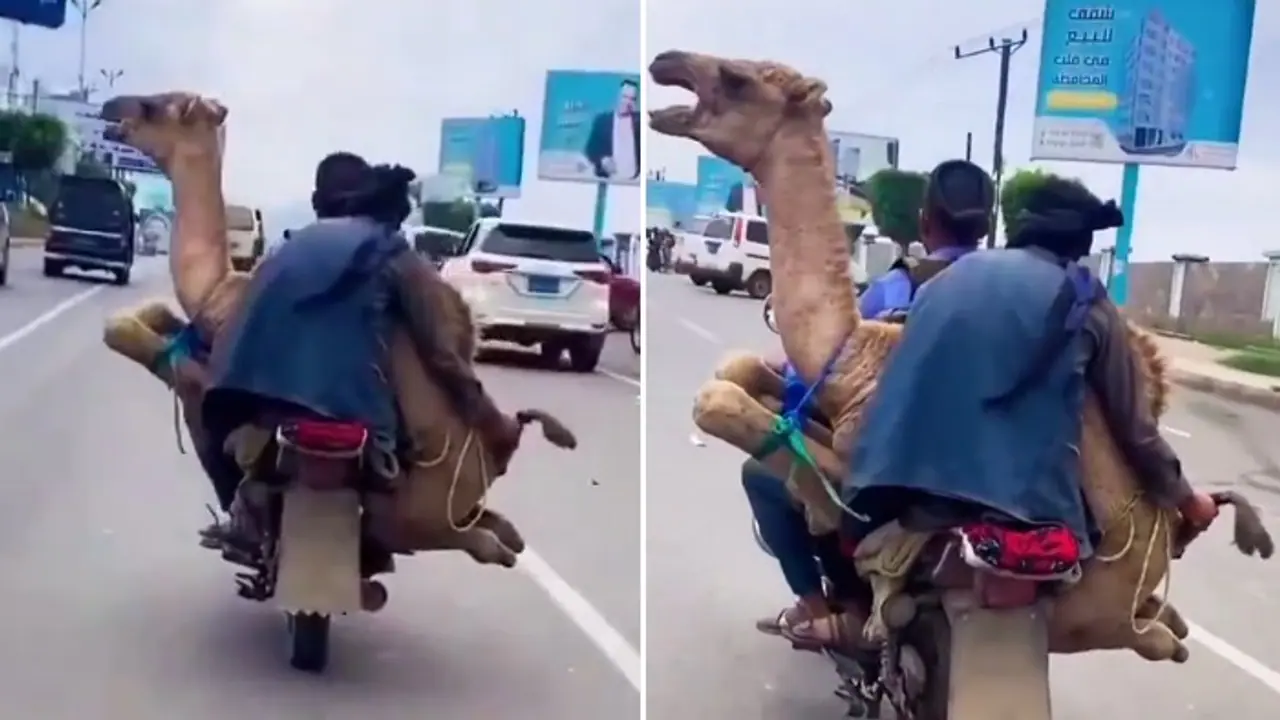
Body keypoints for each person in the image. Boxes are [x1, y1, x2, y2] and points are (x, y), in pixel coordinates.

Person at [840, 175, 1218, 589]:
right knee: (1085, 556)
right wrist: (1188, 500)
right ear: (1082, 243)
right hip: (1015, 508)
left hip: (885, 489)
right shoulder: (1085, 299)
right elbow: (1135, 429)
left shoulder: (938, 280)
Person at [199, 152, 521, 545]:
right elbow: (442, 353)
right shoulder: (394, 254)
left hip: (248, 392)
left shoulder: (288, 247)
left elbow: (239, 320)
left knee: (217, 435)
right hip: (350, 405)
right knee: (392, 469)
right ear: (395, 217)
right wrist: (489, 420)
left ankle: (240, 517)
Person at [750, 159, 996, 648]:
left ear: (925, 221)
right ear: (987, 227)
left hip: (897, 474)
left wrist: (789, 371)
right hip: (991, 474)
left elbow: (828, 367)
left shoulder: (895, 289)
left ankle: (830, 613)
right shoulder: (1010, 292)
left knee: (763, 475)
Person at [858, 159, 993, 319]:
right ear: (985, 229)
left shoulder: (891, 287)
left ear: (924, 221)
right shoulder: (1007, 288)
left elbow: (842, 330)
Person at [585, 79, 641, 181]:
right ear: (618, 96)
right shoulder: (603, 121)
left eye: (632, 99)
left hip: (634, 182)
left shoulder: (639, 123)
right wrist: (602, 160)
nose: (627, 102)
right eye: (625, 97)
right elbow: (590, 150)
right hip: (608, 181)